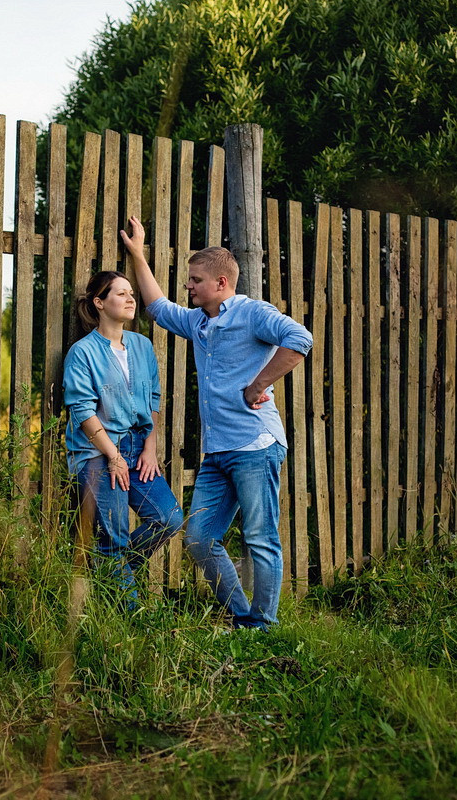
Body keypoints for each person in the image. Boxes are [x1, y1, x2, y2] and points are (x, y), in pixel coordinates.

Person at [119, 217, 313, 630]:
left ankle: (264, 626)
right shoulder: (201, 323)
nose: (188, 286)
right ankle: (243, 616)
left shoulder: (252, 313)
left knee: (259, 537)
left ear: (221, 282)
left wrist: (258, 383)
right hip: (218, 453)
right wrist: (137, 254)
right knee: (199, 539)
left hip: (255, 445)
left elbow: (300, 340)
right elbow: (157, 308)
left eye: (195, 280)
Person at [63, 270, 184, 607]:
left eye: (132, 293)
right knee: (113, 540)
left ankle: (111, 571)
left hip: (137, 450)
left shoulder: (142, 346)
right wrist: (113, 456)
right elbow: (81, 409)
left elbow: (154, 399)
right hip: (98, 454)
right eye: (121, 294)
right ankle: (132, 620)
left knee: (168, 518)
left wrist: (149, 447)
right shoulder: (83, 352)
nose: (131, 299)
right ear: (99, 303)